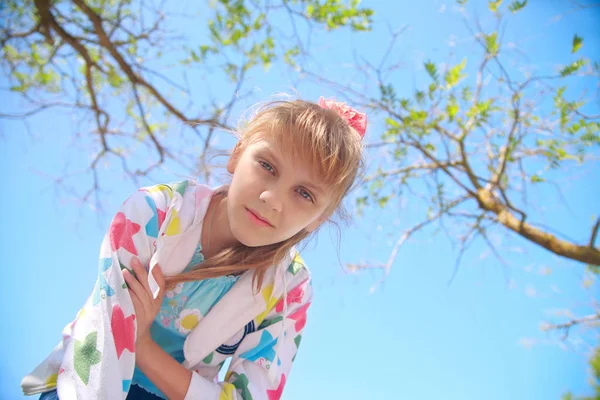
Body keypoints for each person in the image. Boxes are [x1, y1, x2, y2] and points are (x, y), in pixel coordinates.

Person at [21, 96, 367, 400]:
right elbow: (101, 344)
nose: (272, 200)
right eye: (267, 166)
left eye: (304, 194)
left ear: (318, 218)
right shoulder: (153, 216)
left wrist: (144, 347)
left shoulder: (289, 291)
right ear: (237, 154)